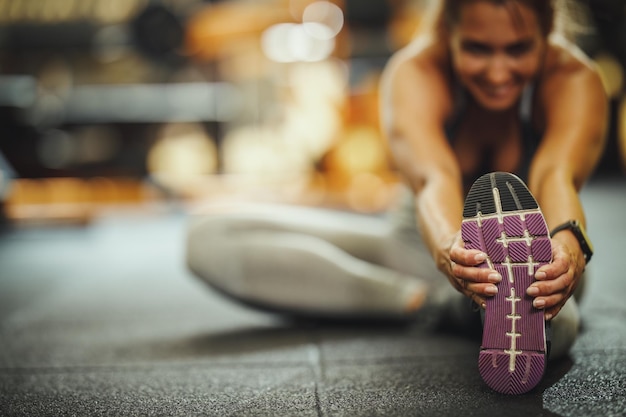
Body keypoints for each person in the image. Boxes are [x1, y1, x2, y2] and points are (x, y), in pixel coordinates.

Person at [186, 0, 607, 394]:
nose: (498, 72)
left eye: (518, 50)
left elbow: (556, 175)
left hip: (531, 267)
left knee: (556, 326)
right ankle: (433, 306)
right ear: (448, 32)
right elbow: (432, 180)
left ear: (548, 32)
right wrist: (448, 249)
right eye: (478, 49)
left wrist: (568, 249)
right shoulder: (416, 73)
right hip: (417, 251)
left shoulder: (574, 80)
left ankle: (484, 312)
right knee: (208, 238)